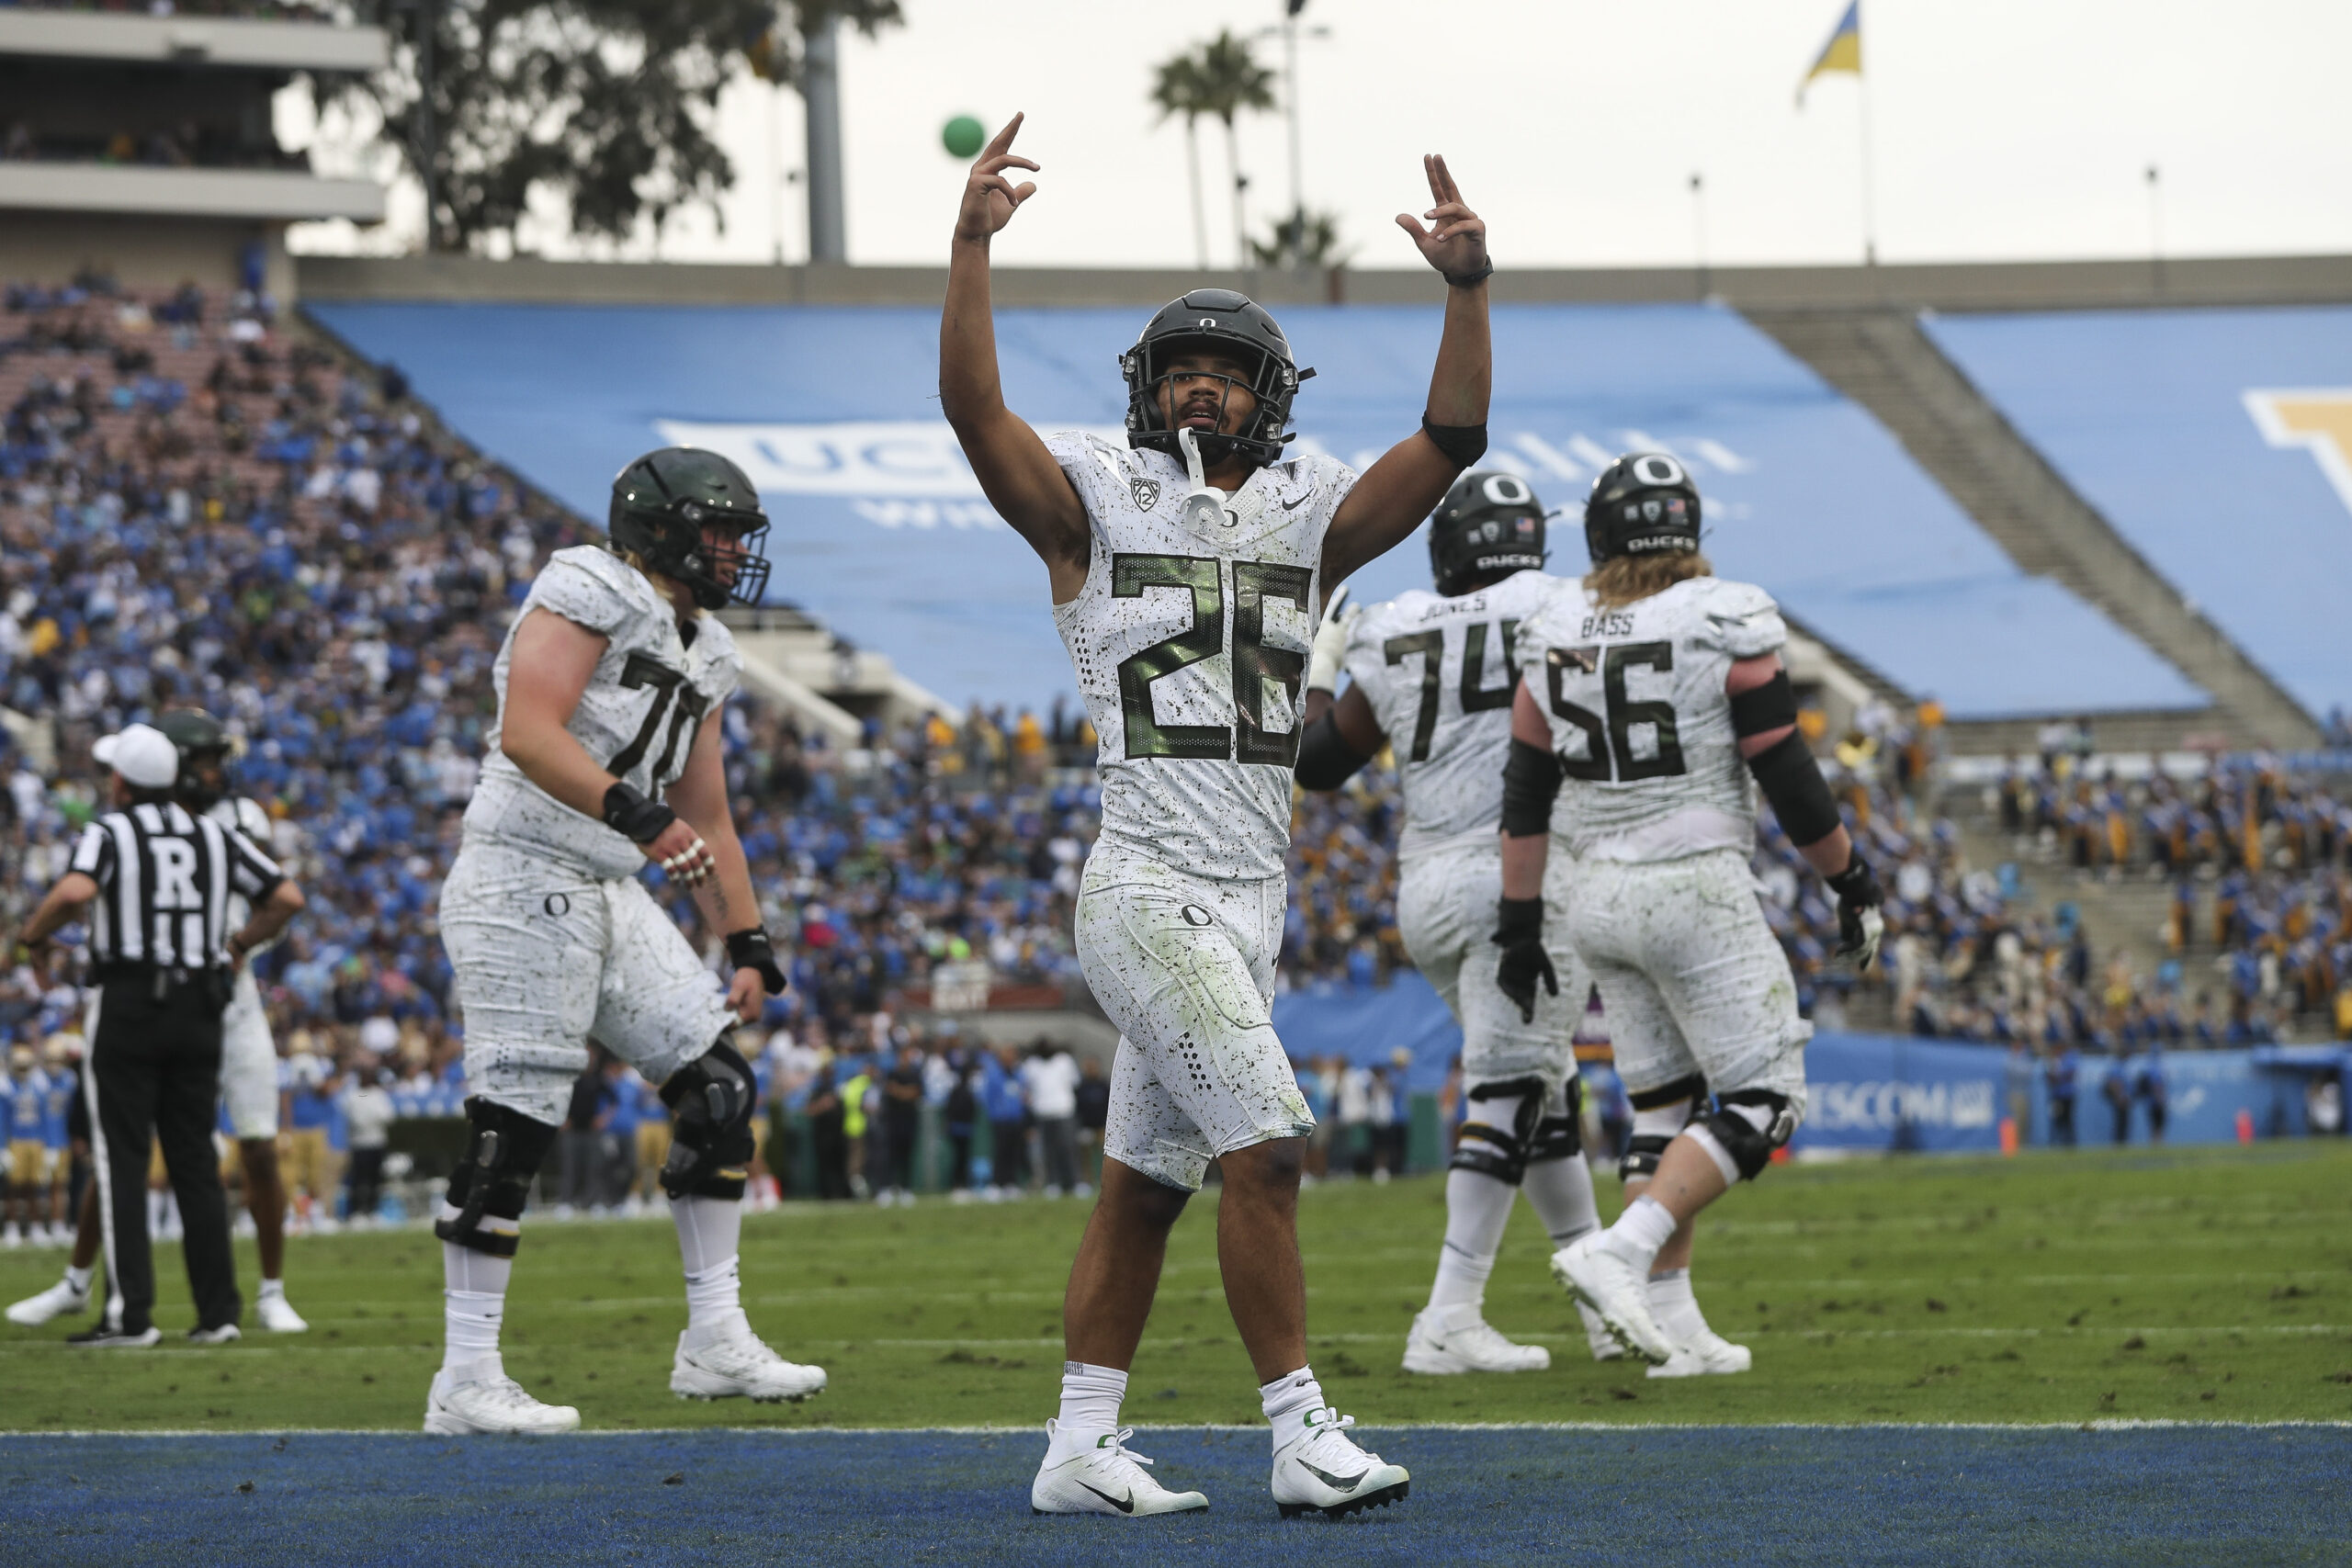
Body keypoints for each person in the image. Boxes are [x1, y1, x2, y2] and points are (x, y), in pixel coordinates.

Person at [941, 113, 1489, 1517]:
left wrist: (1468, 292)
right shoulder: (1097, 502)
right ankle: (1300, 1430)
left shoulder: (1311, 510)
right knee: (1268, 1147)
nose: (1197, 391)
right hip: (1147, 885)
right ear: (1144, 389)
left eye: (1222, 374)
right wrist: (969, 251)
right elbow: (974, 420)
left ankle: (1077, 1445)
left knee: (1142, 1187)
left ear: (1267, 396)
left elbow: (1452, 437)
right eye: (1177, 370)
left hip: (1253, 897)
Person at [424, 446, 820, 1434]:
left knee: (720, 1092)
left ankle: (714, 1343)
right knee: (511, 1121)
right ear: (660, 527)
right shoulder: (587, 583)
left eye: (738, 533)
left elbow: (710, 814)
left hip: (607, 881)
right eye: (718, 530)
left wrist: (745, 935)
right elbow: (529, 728)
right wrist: (638, 818)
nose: (732, 550)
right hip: (522, 867)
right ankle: (465, 1379)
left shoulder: (709, 646)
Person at [1499, 455, 1885, 1371]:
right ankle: (1620, 1254)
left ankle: (1667, 1321)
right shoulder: (1721, 619)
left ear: (1598, 534)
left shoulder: (1551, 626)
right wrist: (1849, 876)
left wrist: (1519, 920)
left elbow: (1524, 787)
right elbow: (1782, 763)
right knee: (1767, 1098)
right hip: (1691, 886)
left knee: (1662, 1107)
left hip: (1595, 895)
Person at [1295, 470, 1612, 1371]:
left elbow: (1318, 762)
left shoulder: (1395, 623)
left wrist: (1317, 671)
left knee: (1540, 1085)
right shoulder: (1557, 603)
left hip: (1428, 890)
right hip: (1520, 874)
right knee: (1514, 1087)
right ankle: (1448, 1315)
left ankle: (1598, 1299)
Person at [14, 722, 305, 1347]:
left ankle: (130, 1314)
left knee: (121, 1155)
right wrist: (238, 945)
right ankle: (219, 1312)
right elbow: (286, 895)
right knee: (195, 1157)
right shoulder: (213, 832)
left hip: (132, 1001)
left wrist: (33, 936)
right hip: (201, 1006)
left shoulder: (111, 829)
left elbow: (75, 889)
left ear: (120, 781)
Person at [155, 708, 307, 1327]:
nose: (219, 770)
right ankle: (81, 1279)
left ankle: (272, 1289)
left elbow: (276, 895)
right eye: (209, 758)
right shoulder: (144, 823)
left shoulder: (240, 820)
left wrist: (238, 944)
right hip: (167, 995)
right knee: (130, 1143)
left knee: (260, 1148)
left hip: (234, 996)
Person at [5, 1043, 51, 1247]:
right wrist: (2, 1147)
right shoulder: (5, 1087)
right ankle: (12, 1227)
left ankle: (36, 1227)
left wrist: (48, 1144)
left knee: (36, 1186)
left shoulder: (39, 1086)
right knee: (13, 1187)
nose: (23, 1071)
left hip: (36, 1140)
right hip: (15, 1141)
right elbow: (2, 1119)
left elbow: (45, 1117)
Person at [1023, 1039, 1081, 1198]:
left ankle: (1075, 1182)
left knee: (1068, 1148)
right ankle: (1052, 1184)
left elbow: (1075, 1082)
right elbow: (1027, 1088)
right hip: (1042, 1113)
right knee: (1048, 1152)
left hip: (1064, 1111)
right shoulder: (1031, 1064)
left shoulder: (1064, 1061)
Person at [343, 1054, 395, 1224]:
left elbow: (388, 1116)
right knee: (358, 1180)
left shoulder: (377, 1094)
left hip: (377, 1142)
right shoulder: (355, 1095)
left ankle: (373, 1211)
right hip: (360, 1144)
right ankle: (357, 1212)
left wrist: (371, 1116)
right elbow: (355, 1118)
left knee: (375, 1179)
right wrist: (371, 1116)